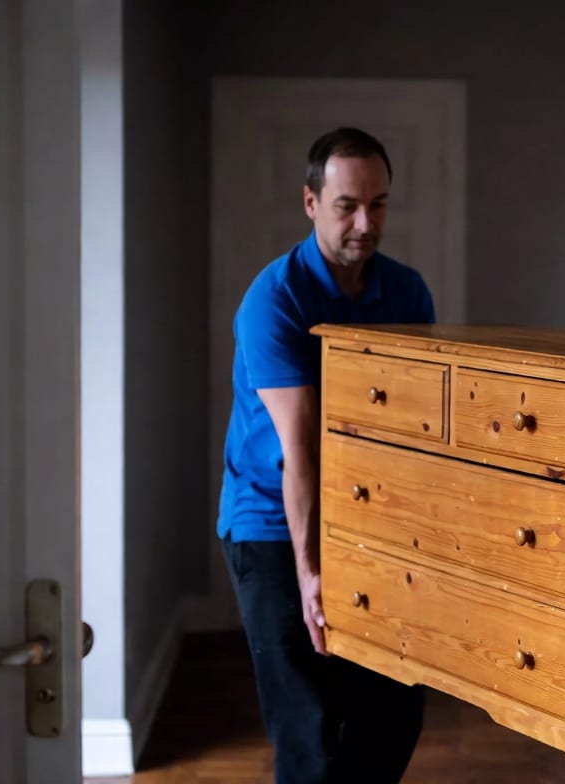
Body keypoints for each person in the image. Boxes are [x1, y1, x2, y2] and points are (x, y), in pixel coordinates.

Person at [217, 127, 433, 784]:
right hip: (275, 527)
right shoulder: (274, 301)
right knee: (309, 732)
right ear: (311, 203)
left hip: (369, 521)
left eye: (379, 204)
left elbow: (413, 429)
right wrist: (311, 574)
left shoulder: (406, 292)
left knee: (393, 711)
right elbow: (300, 451)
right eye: (347, 205)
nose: (365, 223)